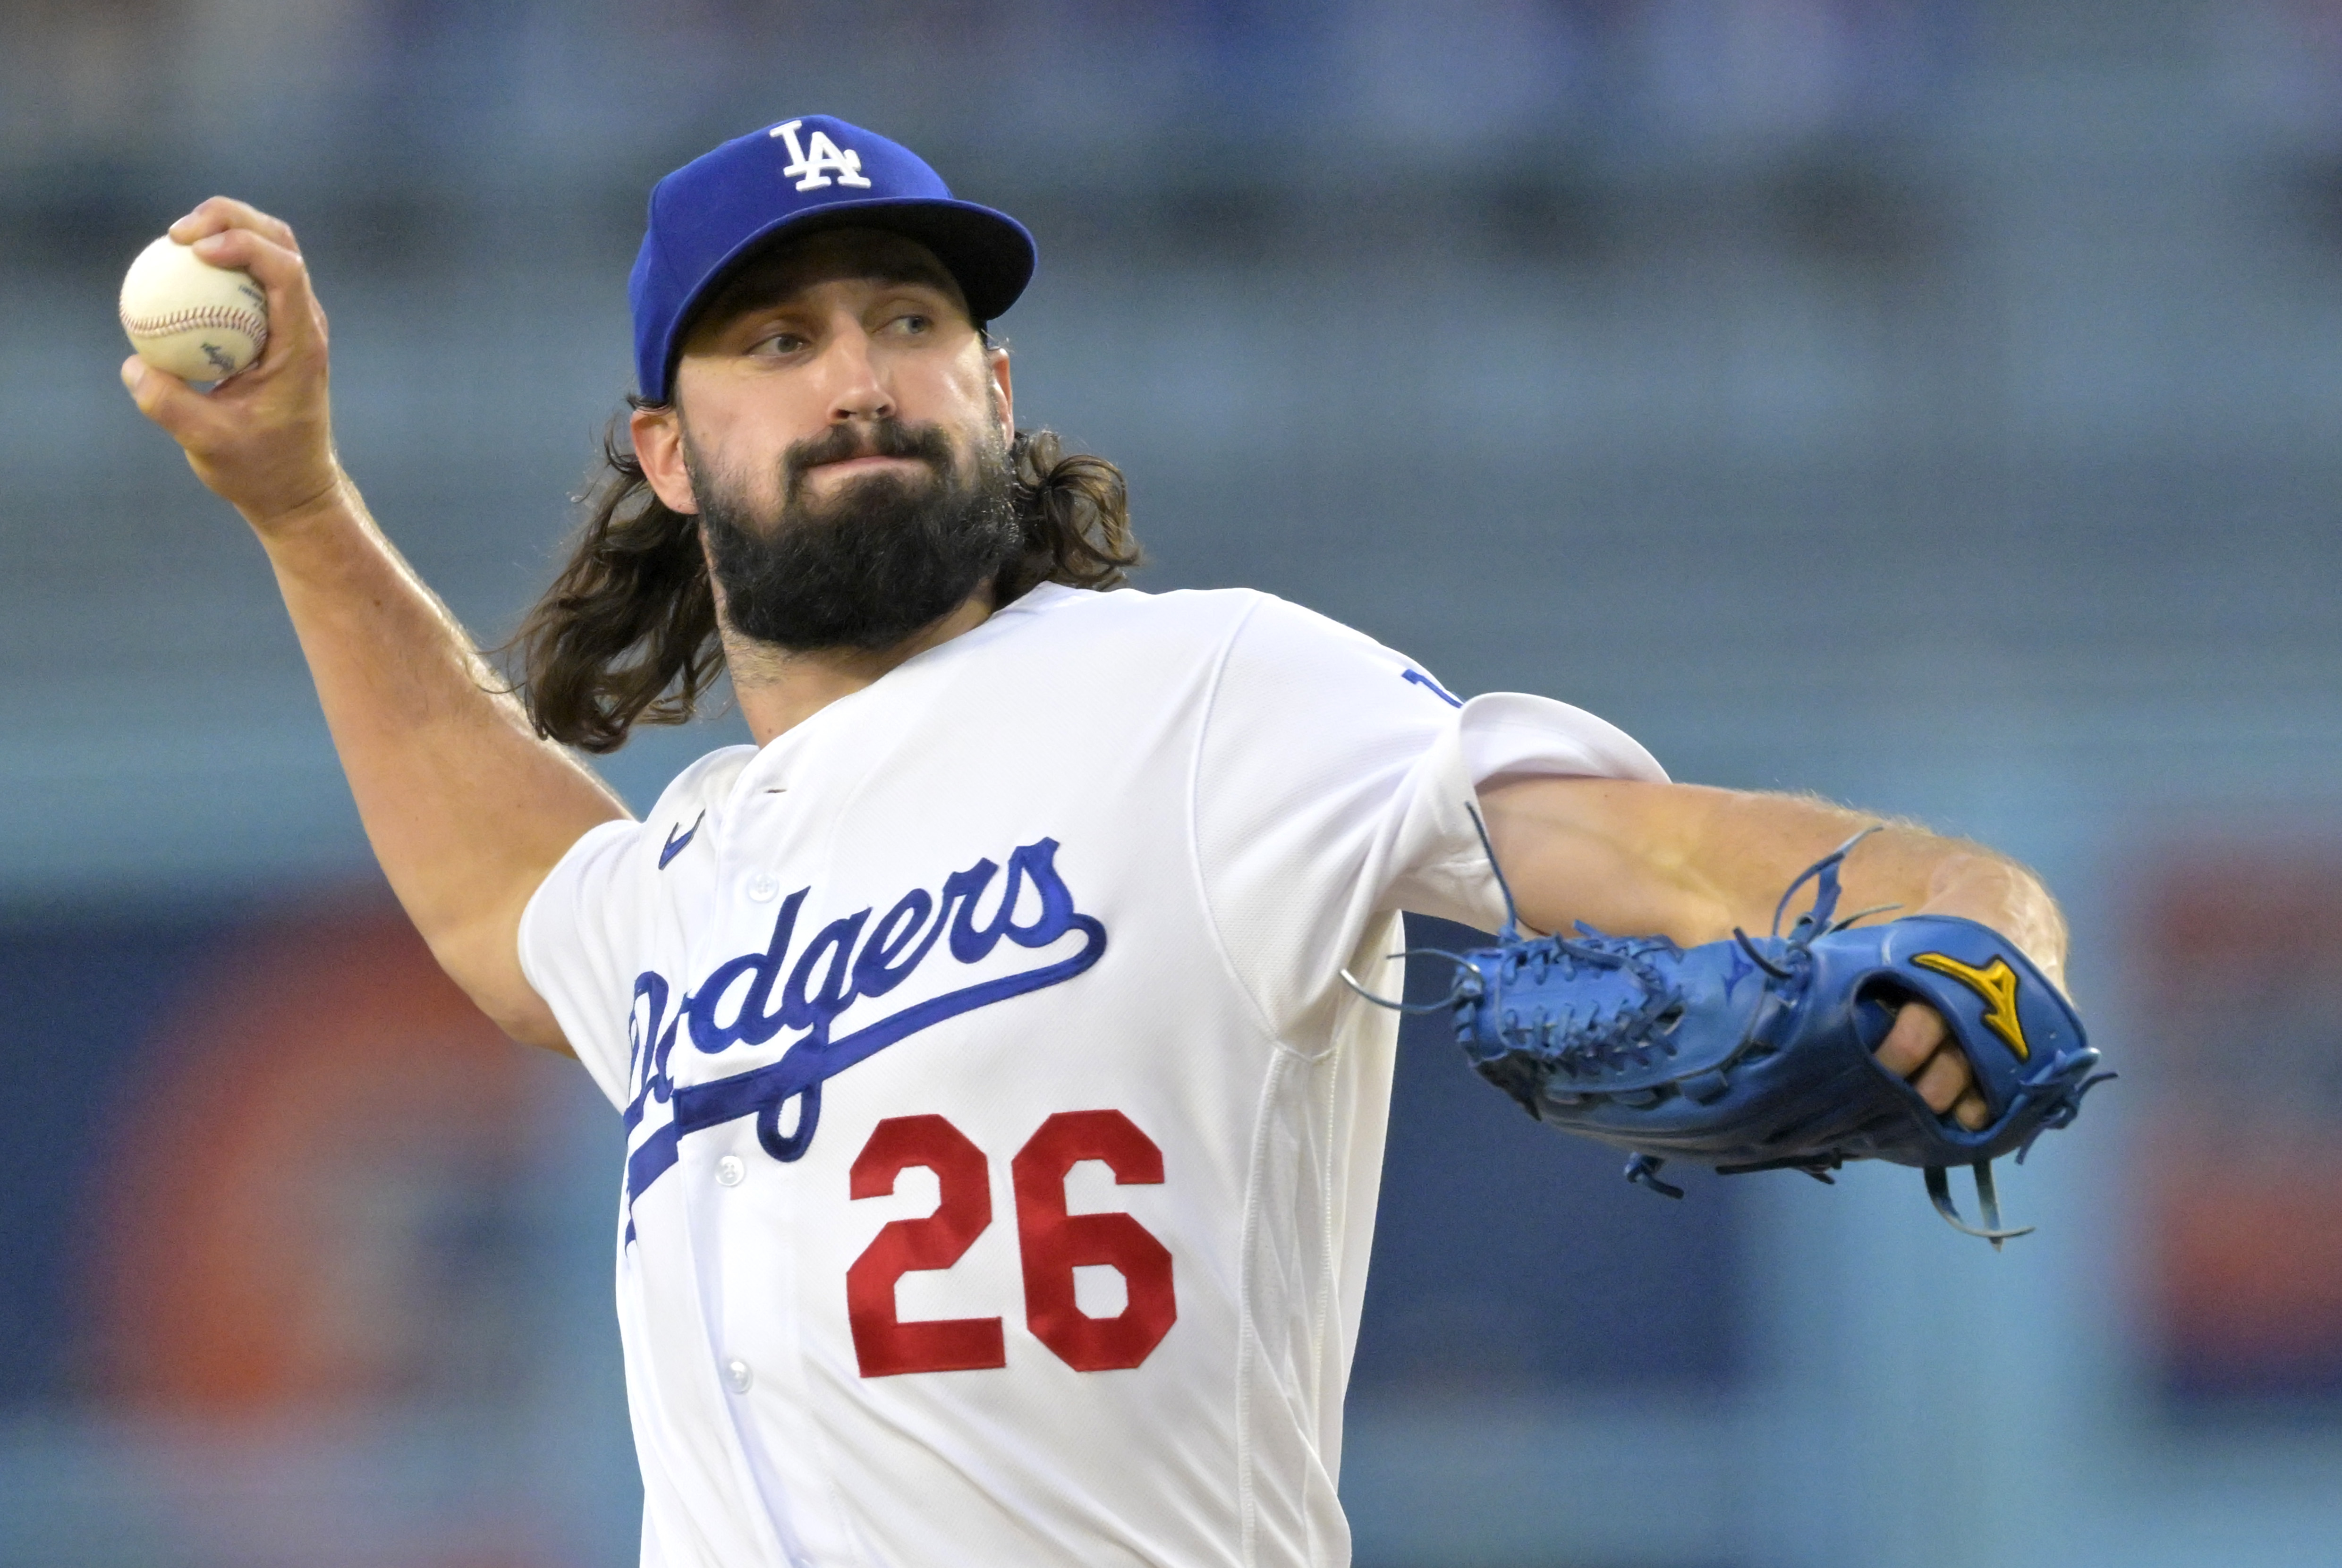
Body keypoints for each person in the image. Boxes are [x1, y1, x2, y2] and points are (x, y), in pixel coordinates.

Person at [123, 116, 2065, 1568]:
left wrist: (1978, 918)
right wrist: (297, 508)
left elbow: (1653, 853)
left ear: (997, 390)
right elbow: (507, 895)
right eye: (779, 338)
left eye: (910, 317)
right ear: (662, 449)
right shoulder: (697, 881)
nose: (861, 372)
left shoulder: (1203, 697)